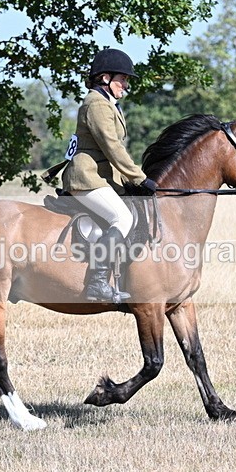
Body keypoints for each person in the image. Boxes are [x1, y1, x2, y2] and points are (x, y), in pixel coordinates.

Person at [60, 48, 157, 302]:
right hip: (86, 177)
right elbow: (112, 147)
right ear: (105, 77)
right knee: (122, 218)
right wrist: (139, 178)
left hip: (100, 177)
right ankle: (98, 282)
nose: (126, 84)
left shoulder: (107, 104)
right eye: (122, 78)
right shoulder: (96, 104)